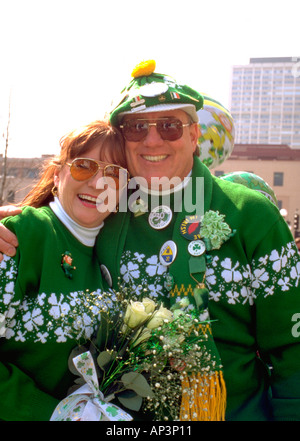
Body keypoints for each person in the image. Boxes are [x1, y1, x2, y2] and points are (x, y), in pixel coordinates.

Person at [1, 60, 300, 421]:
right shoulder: (109, 209)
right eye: (136, 128)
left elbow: (292, 353)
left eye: (170, 126)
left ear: (194, 137)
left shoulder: (251, 215)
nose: (153, 139)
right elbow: (62, 218)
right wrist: (20, 219)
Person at [0, 120, 128, 421]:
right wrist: (52, 415)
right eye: (84, 166)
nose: (98, 184)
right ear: (57, 175)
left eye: (113, 174)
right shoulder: (22, 235)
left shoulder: (115, 251)